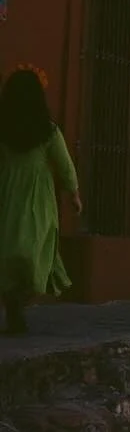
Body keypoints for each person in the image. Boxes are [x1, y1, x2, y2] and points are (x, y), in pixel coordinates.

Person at [0, 66, 81, 335]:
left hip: (7, 198)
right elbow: (65, 165)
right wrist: (74, 194)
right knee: (33, 253)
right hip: (39, 205)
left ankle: (13, 305)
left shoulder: (5, 131)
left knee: (10, 252)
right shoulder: (48, 132)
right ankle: (18, 303)